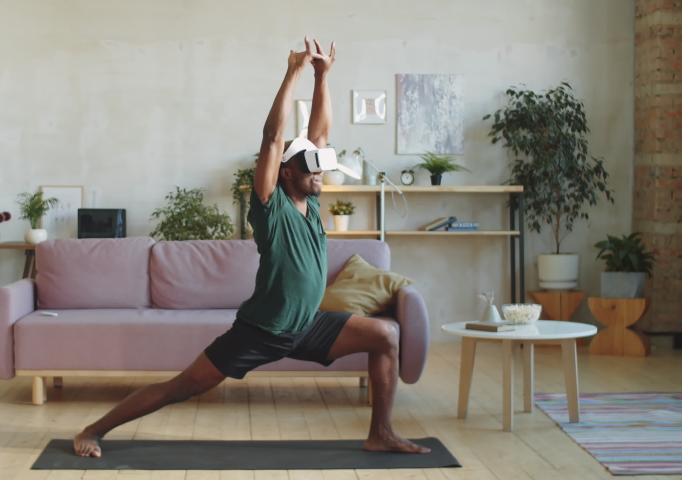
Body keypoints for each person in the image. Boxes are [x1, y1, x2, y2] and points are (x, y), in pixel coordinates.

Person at [73, 37, 430, 458]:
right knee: (182, 387)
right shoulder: (269, 205)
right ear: (285, 172)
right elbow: (272, 137)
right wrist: (294, 71)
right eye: (309, 165)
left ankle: (381, 432)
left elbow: (319, 133)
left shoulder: (311, 202)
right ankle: (93, 431)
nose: (320, 171)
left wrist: (322, 77)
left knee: (385, 334)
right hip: (262, 331)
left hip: (307, 325)